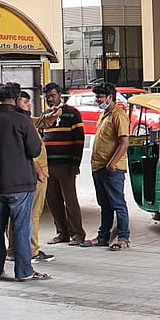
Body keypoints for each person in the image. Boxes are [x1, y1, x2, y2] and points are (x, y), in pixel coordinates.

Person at [0, 82, 49, 281]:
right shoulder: (21, 121)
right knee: (21, 227)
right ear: (15, 99)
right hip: (20, 184)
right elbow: (35, 150)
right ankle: (24, 271)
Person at [80, 82, 131, 251]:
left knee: (118, 204)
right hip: (98, 167)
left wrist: (112, 163)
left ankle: (123, 238)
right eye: (97, 97)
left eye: (100, 97)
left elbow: (124, 142)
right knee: (105, 204)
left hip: (112, 169)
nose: (97, 100)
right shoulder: (104, 114)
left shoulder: (119, 115)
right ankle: (103, 237)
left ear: (110, 97)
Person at [7, 91, 53, 264]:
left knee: (18, 215)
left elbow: (42, 121)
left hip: (25, 175)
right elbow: (29, 151)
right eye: (25, 102)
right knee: (32, 213)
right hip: (33, 175)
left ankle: (13, 249)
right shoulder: (21, 123)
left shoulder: (23, 121)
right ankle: (31, 250)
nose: (28, 106)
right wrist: (40, 172)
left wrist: (53, 114)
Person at [39, 82, 86, 245]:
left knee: (70, 200)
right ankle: (62, 232)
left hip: (66, 166)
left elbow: (79, 140)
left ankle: (78, 233)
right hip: (48, 166)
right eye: (47, 96)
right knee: (53, 200)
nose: (49, 99)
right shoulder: (45, 116)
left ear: (59, 95)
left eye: (52, 95)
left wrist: (75, 164)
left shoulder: (72, 114)